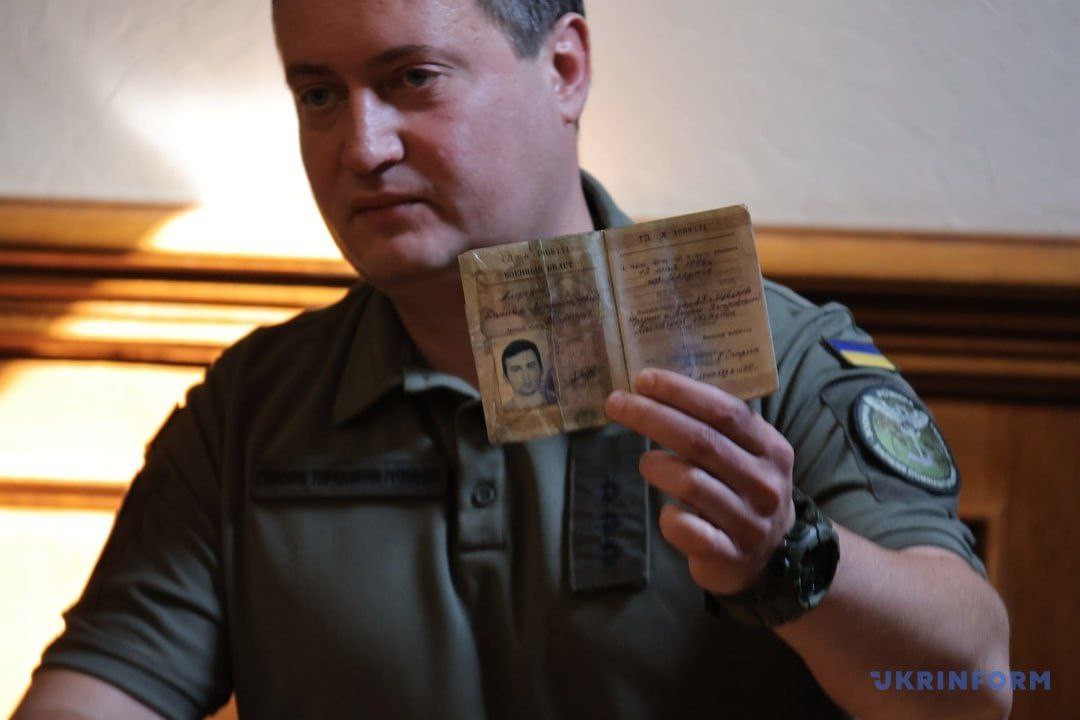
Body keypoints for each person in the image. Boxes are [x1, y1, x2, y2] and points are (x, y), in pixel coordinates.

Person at [15, 1, 1012, 718]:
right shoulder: (251, 406)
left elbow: (975, 687)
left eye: (412, 79)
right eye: (318, 93)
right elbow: (98, 691)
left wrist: (790, 558)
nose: (361, 146)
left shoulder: (781, 360)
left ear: (565, 68)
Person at [501, 339, 547, 411]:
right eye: (516, 370)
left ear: (542, 369)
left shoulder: (557, 403)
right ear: (505, 378)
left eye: (530, 366)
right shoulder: (502, 413)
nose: (525, 377)